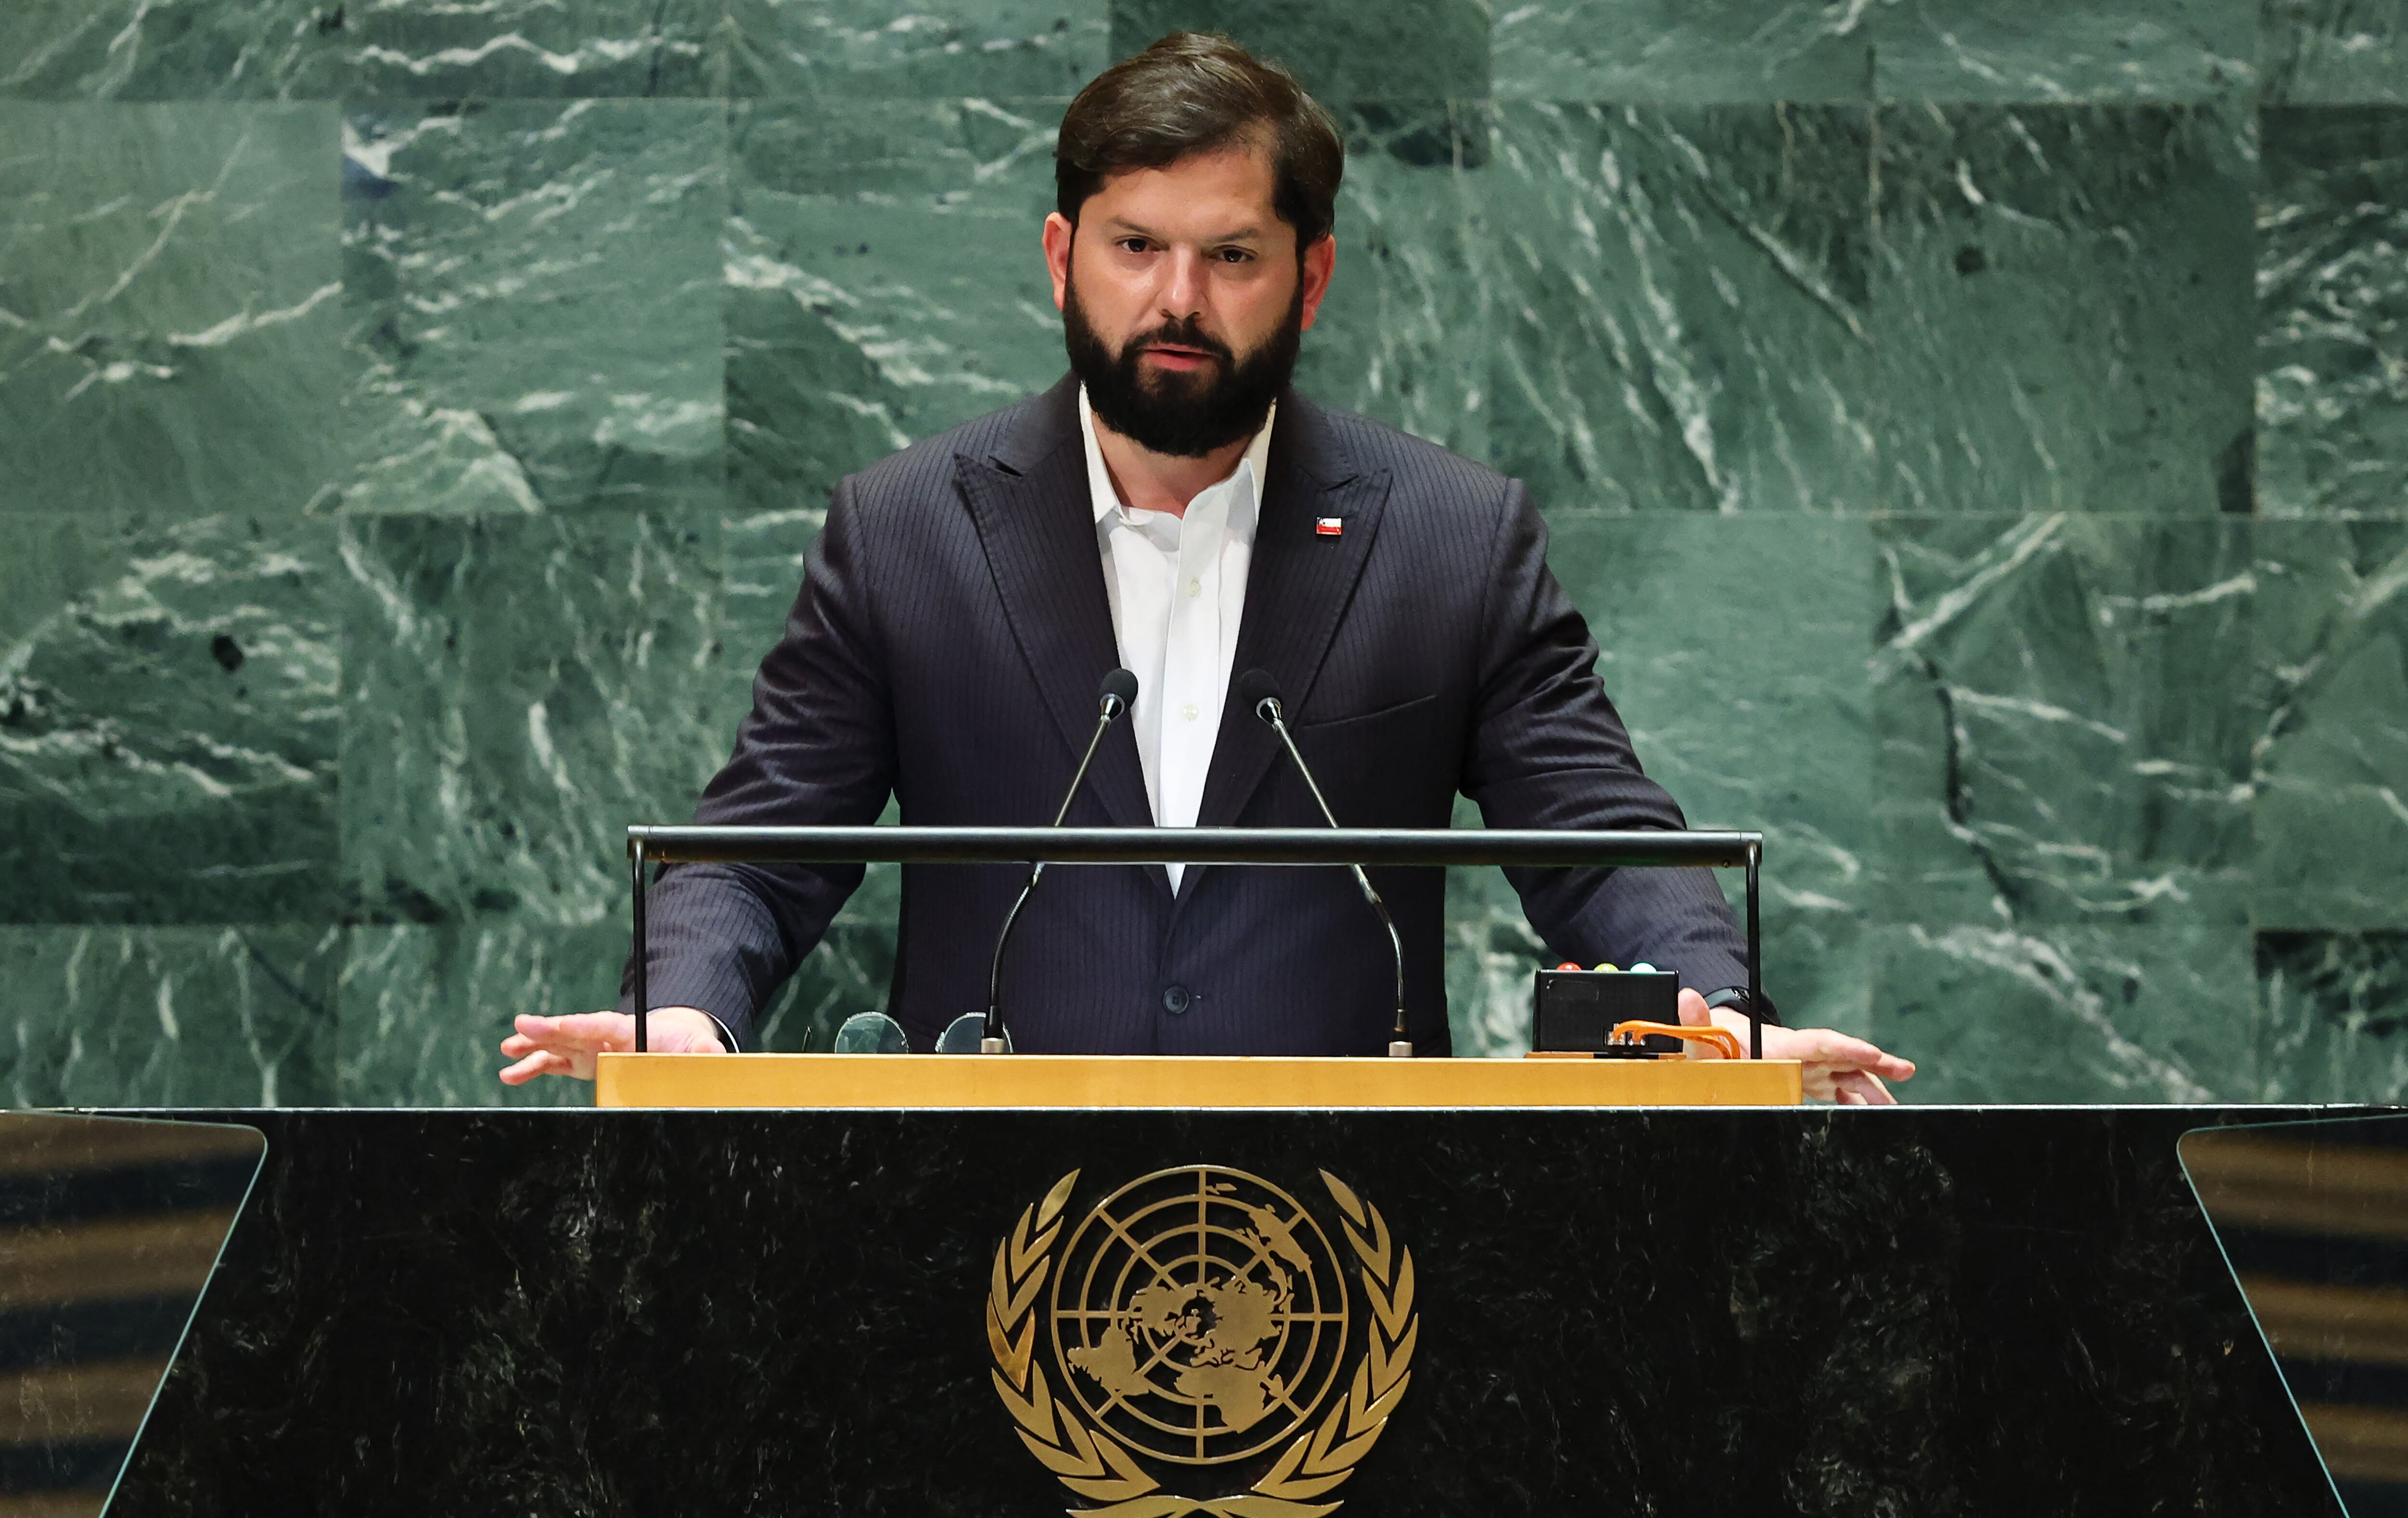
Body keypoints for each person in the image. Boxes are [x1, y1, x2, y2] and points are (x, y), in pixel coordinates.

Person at [501, 33, 1914, 1103]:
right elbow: (762, 844)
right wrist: (684, 1012)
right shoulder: (908, 528)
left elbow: (1594, 838)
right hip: (978, 1215)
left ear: (1310, 278)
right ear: (1063, 258)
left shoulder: (1449, 535)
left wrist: (1715, 1015)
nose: (1177, 300)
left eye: (1231, 255)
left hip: (1351, 1229)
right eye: (1136, 248)